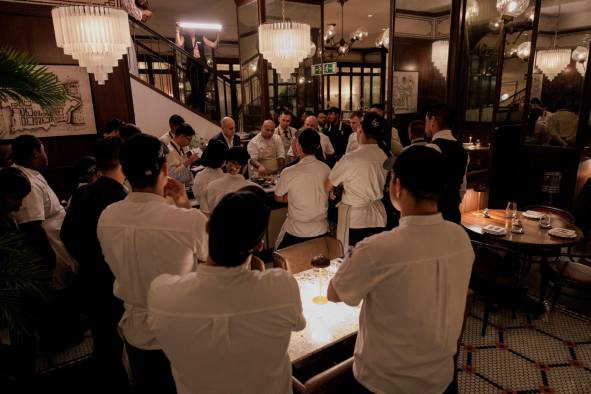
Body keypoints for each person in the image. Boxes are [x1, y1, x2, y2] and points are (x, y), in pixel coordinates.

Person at [327, 145, 474, 394]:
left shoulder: (378, 248)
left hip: (383, 383)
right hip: (441, 379)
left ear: (397, 186)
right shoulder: (460, 238)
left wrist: (354, 255)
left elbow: (335, 293)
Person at [147, 188, 305, 394]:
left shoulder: (162, 295)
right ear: (260, 245)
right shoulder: (282, 286)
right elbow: (298, 324)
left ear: (207, 227)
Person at [97, 134, 208, 394]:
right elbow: (213, 256)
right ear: (165, 169)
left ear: (124, 171)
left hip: (136, 330)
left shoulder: (107, 217)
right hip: (182, 331)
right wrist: (183, 204)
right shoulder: (186, 221)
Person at [60, 137, 129, 392]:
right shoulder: (123, 199)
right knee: (121, 337)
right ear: (123, 161)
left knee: (103, 336)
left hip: (89, 275)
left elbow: (66, 235)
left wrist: (87, 258)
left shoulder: (82, 193)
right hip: (115, 278)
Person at [11, 135, 78, 287]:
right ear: (35, 152)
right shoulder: (27, 181)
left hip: (59, 237)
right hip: (51, 245)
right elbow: (31, 226)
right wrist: (49, 259)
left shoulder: (31, 172)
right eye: (43, 150)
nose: (45, 155)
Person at [327, 113, 389, 248]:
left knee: (352, 259)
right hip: (377, 217)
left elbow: (329, 185)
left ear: (360, 130)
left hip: (355, 219)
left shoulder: (350, 158)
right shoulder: (384, 156)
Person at [275, 129, 331, 249]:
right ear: (317, 147)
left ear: (298, 146)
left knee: (279, 254)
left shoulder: (289, 172)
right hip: (321, 230)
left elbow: (278, 197)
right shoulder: (326, 168)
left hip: (296, 231)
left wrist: (294, 196)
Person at [424, 104, 468, 224]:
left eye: (426, 120)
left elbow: (425, 186)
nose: (425, 125)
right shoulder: (462, 150)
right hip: (453, 214)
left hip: (435, 215)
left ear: (433, 120)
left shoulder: (433, 148)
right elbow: (462, 188)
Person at [202, 147, 260, 215]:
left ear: (226, 164)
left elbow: (206, 214)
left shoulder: (211, 187)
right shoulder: (255, 189)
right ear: (245, 166)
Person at [176, 24, 219, 113]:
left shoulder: (200, 37)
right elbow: (179, 44)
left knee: (202, 86)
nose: (191, 30)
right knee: (194, 86)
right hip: (192, 64)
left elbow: (214, 45)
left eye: (193, 28)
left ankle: (202, 107)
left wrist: (218, 34)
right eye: (190, 28)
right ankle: (196, 105)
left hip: (201, 63)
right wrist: (177, 31)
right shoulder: (185, 37)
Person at [191, 140, 227, 206]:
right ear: (223, 159)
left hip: (203, 213)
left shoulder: (199, 176)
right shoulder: (225, 178)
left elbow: (197, 196)